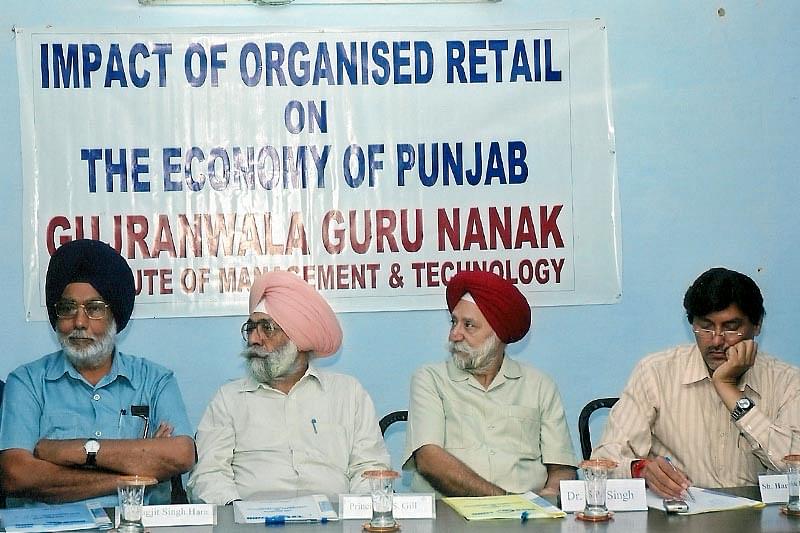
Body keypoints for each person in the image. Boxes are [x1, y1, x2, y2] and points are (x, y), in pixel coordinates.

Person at [0, 239, 195, 507]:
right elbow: (16, 474)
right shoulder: (27, 382)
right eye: (68, 308)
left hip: (135, 524)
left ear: (115, 316)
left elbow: (181, 455)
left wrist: (65, 451)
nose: (79, 322)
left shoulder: (154, 380)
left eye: (94, 309)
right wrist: (131, 475)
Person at [593, 267, 800, 498]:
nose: (717, 340)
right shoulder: (655, 373)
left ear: (757, 324)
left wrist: (728, 388)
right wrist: (641, 470)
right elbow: (604, 463)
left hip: (760, 516)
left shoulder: (788, 382)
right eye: (706, 326)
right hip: (681, 512)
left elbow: (793, 466)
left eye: (731, 327)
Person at [188, 270, 390, 504]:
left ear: (299, 337)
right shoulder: (229, 399)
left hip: (333, 517)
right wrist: (236, 510)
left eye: (267, 328)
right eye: (251, 328)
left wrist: (354, 513)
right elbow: (208, 474)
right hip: (251, 519)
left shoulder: (347, 394)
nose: (254, 339)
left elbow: (370, 468)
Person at [402, 269, 577, 497]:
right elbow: (429, 459)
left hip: (526, 514)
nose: (454, 334)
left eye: (468, 325)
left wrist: (551, 496)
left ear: (498, 334)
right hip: (450, 512)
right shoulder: (430, 379)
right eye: (454, 322)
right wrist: (505, 502)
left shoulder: (539, 385)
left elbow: (561, 467)